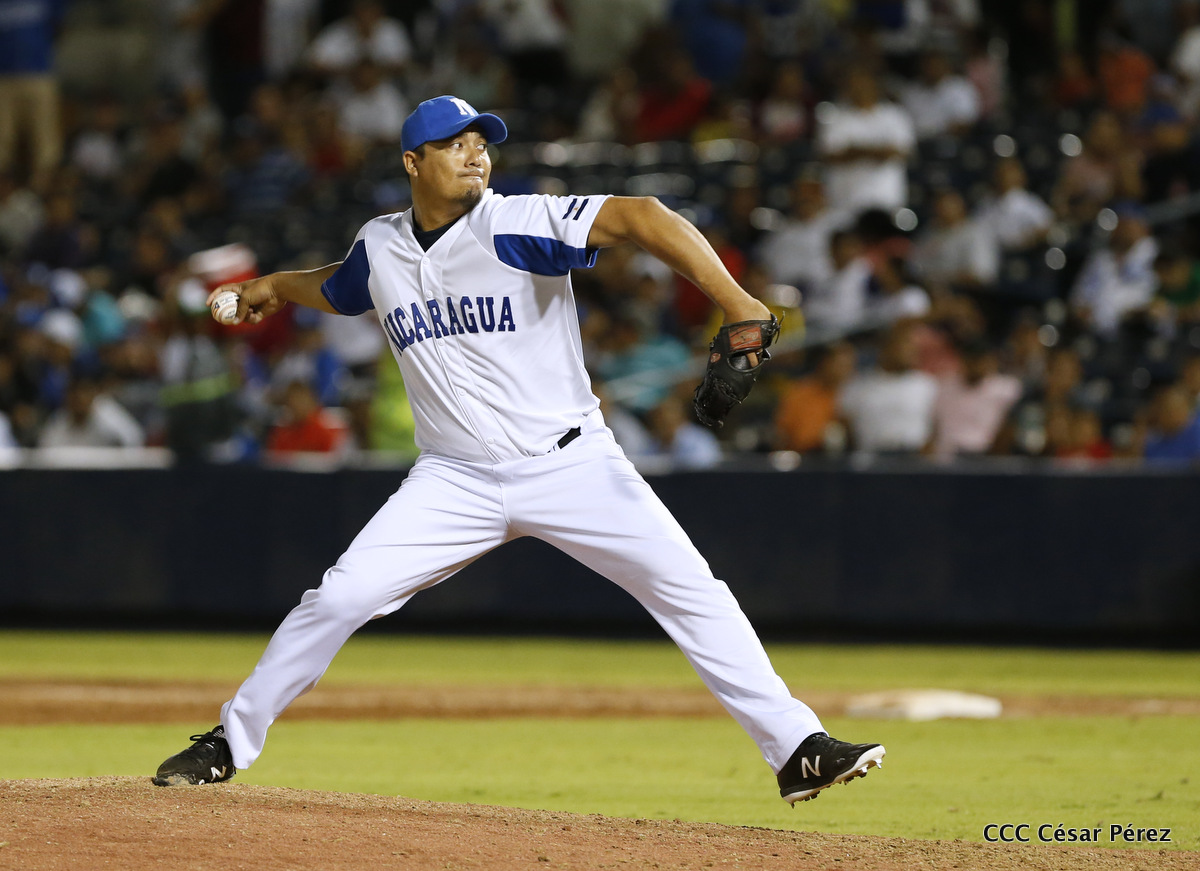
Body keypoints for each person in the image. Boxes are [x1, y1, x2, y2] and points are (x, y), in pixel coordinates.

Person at [152, 96, 885, 804]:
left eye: (481, 142)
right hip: (453, 479)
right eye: (454, 144)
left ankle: (797, 747)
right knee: (340, 596)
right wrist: (276, 286)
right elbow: (343, 287)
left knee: (691, 589)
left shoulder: (513, 222)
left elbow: (643, 215)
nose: (476, 154)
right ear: (412, 162)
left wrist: (741, 304)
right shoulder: (380, 245)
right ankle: (229, 742)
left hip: (570, 462)